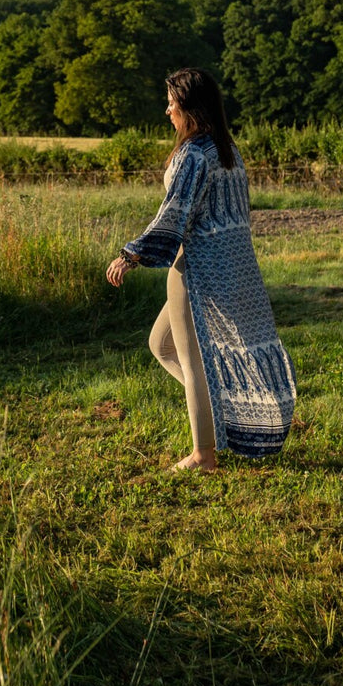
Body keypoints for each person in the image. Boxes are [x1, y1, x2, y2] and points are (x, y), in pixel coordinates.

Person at [106, 68, 297, 471]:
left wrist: (131, 255)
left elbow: (174, 214)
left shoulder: (193, 154)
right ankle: (222, 420)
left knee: (193, 362)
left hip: (198, 270)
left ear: (190, 108)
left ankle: (203, 454)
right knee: (162, 345)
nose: (167, 110)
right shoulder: (228, 149)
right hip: (234, 266)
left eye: (172, 103)